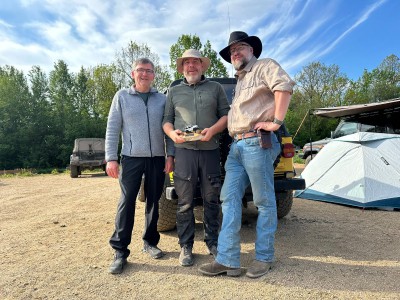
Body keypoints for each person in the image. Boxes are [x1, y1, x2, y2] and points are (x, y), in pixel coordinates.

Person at [199, 31, 295, 278]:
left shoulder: (265, 66)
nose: (235, 53)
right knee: (229, 199)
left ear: (252, 49)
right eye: (232, 51)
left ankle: (264, 257)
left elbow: (284, 86)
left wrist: (276, 122)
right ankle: (228, 259)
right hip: (237, 147)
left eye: (240, 47)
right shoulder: (240, 80)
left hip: (257, 143)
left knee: (263, 202)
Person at [106, 58, 174, 274]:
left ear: (154, 75)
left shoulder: (162, 99)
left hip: (157, 158)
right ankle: (120, 251)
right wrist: (111, 158)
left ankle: (150, 243)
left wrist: (170, 155)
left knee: (154, 201)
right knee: (127, 201)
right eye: (140, 70)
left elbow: (169, 129)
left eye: (149, 71)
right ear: (132, 73)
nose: (145, 74)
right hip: (131, 158)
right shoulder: (122, 97)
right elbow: (112, 128)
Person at [163, 49, 230, 267]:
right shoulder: (174, 91)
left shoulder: (216, 88)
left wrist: (213, 130)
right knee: (185, 202)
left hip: (210, 151)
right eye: (187, 63)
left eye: (195, 62)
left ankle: (213, 242)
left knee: (212, 199)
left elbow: (226, 116)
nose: (191, 66)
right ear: (182, 67)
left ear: (202, 66)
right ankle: (186, 246)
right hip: (184, 154)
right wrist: (173, 135)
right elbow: (166, 121)